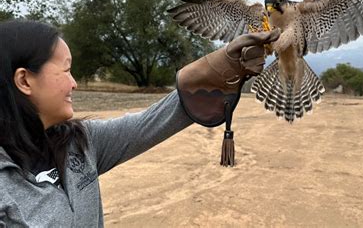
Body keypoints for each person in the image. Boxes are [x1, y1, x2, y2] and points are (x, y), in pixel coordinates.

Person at [0, 20, 280, 226]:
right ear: (24, 80)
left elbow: (151, 123)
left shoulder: (80, 143)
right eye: (66, 70)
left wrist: (221, 67)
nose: (74, 83)